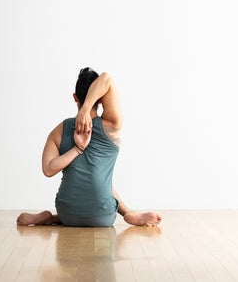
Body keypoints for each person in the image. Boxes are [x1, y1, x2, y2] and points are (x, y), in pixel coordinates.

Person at [17, 68, 162, 227]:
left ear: (74, 97)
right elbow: (106, 78)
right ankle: (128, 213)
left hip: (67, 213)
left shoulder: (58, 131)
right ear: (100, 100)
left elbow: (48, 170)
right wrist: (87, 109)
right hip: (103, 215)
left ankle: (53, 218)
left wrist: (77, 149)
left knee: (97, 178)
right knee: (101, 180)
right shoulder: (112, 125)